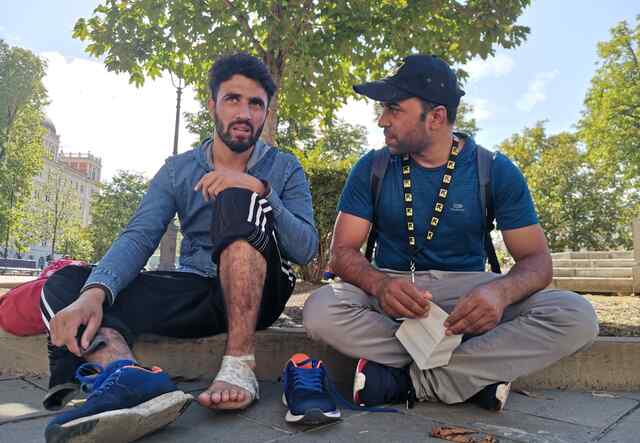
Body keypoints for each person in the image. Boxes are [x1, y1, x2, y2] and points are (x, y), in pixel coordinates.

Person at [41, 52, 318, 442]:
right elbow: (139, 236)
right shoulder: (178, 170)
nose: (244, 112)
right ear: (212, 106)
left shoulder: (284, 168)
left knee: (238, 199)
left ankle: (238, 365)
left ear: (266, 113)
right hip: (195, 291)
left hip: (260, 290)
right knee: (66, 284)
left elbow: (306, 250)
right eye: (233, 99)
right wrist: (95, 292)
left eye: (256, 104)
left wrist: (260, 191)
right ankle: (129, 379)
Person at [303, 54, 598, 411]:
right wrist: (380, 285)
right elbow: (342, 252)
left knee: (576, 316)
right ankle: (475, 376)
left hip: (469, 296)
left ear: (437, 117)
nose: (382, 120)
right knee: (320, 309)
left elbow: (537, 262)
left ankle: (409, 381)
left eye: (394, 109)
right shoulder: (373, 167)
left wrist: (500, 293)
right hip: (394, 291)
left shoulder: (495, 170)